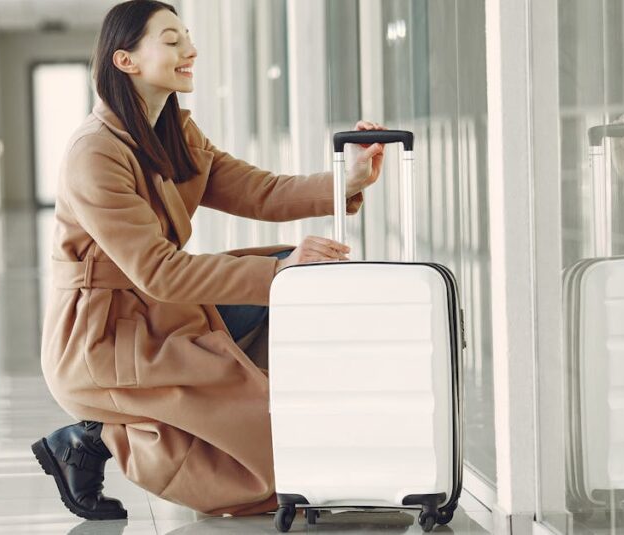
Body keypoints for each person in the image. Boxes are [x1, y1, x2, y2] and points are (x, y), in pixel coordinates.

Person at [32, 0, 386, 521]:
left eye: (188, 38)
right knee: (268, 461)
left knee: (294, 287)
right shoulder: (94, 152)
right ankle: (98, 435)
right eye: (171, 41)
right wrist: (278, 275)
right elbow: (159, 271)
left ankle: (97, 436)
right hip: (105, 338)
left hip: (160, 314)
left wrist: (348, 182)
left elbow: (261, 192)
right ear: (125, 60)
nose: (190, 51)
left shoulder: (175, 134)